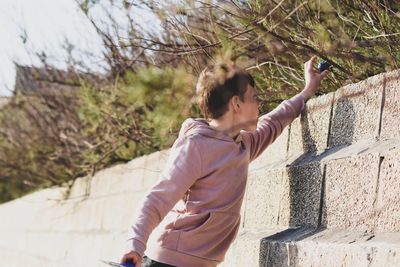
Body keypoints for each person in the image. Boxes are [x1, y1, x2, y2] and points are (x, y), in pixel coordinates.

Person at [120, 56, 329, 267]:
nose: (260, 104)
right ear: (236, 103)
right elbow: (157, 198)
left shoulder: (243, 144)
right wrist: (134, 245)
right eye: (255, 98)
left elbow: (273, 122)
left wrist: (307, 91)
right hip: (168, 261)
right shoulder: (197, 145)